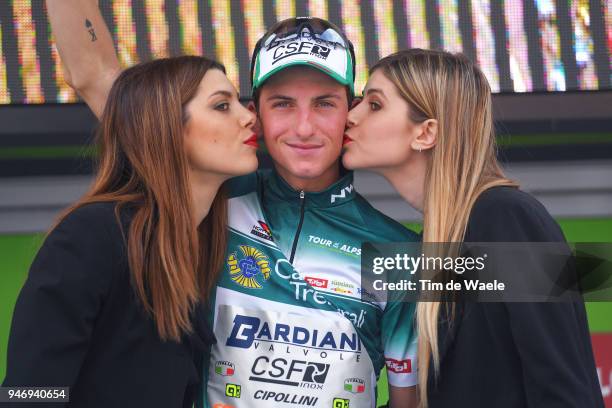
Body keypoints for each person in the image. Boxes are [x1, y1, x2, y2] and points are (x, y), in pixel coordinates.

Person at [45, 2, 419, 407]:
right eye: (283, 104)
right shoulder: (212, 195)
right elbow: (96, 78)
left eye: (325, 103)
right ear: (255, 115)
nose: (305, 127)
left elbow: (412, 401)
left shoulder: (401, 253)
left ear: (351, 111)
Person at [343, 48, 604, 407]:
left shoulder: (508, 218)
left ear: (426, 132)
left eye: (374, 105)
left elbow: (565, 390)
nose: (350, 115)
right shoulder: (433, 243)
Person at [3, 56, 258, 407]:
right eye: (222, 106)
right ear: (165, 126)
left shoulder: (190, 254)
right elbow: (27, 393)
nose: (248, 116)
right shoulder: (91, 235)